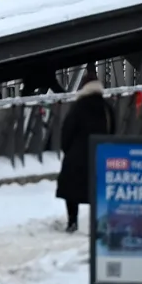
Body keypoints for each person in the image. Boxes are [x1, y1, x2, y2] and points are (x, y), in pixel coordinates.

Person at [56, 72, 113, 233]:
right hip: (100, 156)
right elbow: (112, 132)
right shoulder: (107, 108)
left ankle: (72, 222)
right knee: (99, 192)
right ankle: (100, 224)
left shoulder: (77, 108)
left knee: (72, 192)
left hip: (76, 157)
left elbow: (66, 132)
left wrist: (68, 151)